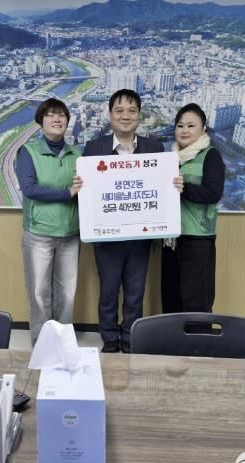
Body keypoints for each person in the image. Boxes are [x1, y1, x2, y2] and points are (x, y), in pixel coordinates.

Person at [83, 89, 167, 354]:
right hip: (106, 237)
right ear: (110, 115)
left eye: (131, 110)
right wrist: (81, 185)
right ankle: (109, 337)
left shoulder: (154, 148)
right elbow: (89, 192)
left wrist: (173, 184)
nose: (125, 116)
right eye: (119, 110)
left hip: (140, 236)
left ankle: (130, 337)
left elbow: (161, 188)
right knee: (108, 291)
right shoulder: (94, 148)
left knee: (135, 292)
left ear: (139, 115)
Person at [15, 98, 83, 344]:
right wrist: (67, 193)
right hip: (39, 234)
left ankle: (63, 343)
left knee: (67, 294)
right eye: (50, 115)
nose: (56, 119)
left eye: (61, 115)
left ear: (67, 121)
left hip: (70, 234)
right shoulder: (28, 152)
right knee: (39, 293)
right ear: (41, 121)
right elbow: (30, 189)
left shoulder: (77, 154)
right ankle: (42, 344)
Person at [161, 103, 225, 314]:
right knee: (171, 295)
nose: (185, 130)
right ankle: (173, 335)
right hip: (171, 239)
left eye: (191, 125)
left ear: (203, 128)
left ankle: (198, 335)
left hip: (198, 239)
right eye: (180, 125)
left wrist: (185, 189)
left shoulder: (211, 155)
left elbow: (213, 193)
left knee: (196, 297)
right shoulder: (169, 158)